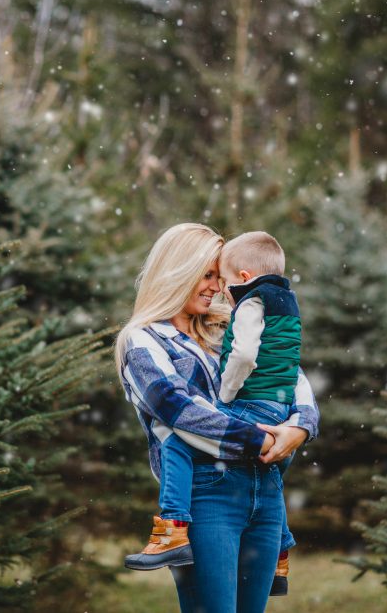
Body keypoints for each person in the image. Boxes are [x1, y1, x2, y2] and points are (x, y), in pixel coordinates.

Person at [116, 223, 319, 613]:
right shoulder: (143, 341)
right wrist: (258, 440)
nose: (217, 287)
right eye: (207, 275)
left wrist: (300, 426)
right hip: (208, 494)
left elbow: (293, 374)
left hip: (266, 491)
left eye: (219, 275)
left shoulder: (226, 324)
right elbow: (179, 411)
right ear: (178, 272)